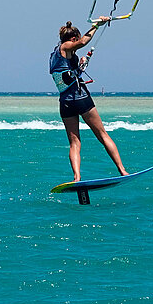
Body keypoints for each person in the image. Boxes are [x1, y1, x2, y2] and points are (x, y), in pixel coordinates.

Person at [51, 17, 126, 182]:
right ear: (72, 39)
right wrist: (96, 26)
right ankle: (122, 171)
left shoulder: (56, 53)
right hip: (80, 97)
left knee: (74, 143)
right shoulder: (66, 46)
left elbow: (66, 75)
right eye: (75, 41)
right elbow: (84, 41)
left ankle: (77, 177)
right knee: (102, 135)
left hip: (65, 102)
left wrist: (79, 66)